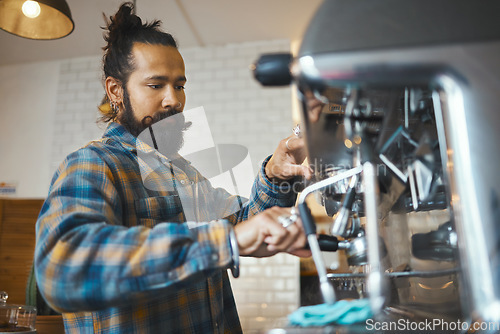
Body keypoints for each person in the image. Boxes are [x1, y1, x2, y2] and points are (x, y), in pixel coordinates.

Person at [34, 3, 312, 333]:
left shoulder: (182, 173)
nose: (174, 101)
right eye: (156, 85)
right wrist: (224, 243)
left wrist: (277, 176)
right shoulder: (93, 164)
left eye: (179, 85)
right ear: (115, 90)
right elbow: (62, 270)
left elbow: (245, 223)